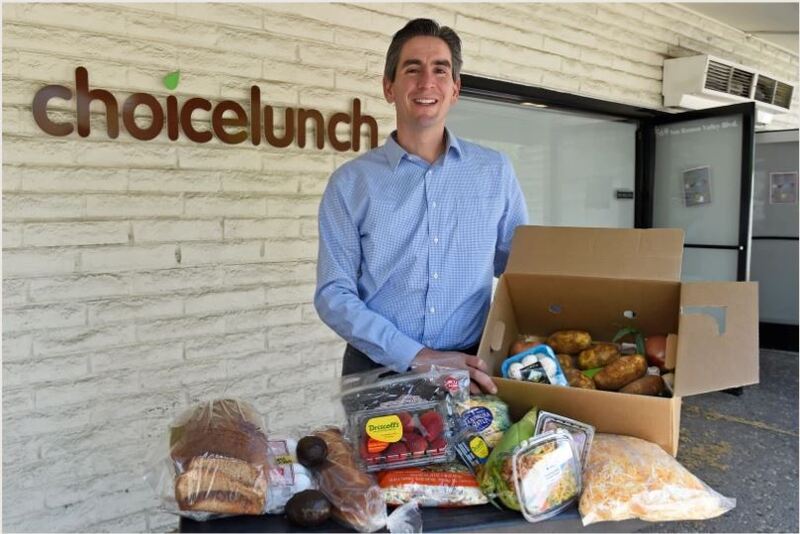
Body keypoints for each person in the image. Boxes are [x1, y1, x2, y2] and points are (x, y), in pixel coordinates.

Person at [314, 18, 528, 394]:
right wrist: (419, 355)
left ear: (455, 89)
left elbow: (522, 271)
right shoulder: (350, 184)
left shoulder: (495, 172)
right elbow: (333, 294)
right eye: (412, 69)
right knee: (375, 457)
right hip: (379, 373)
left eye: (440, 70)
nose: (427, 82)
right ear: (388, 87)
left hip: (470, 370)